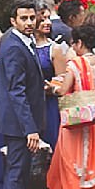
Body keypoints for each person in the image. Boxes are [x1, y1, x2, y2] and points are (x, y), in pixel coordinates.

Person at [0, 0, 52, 189]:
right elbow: (17, 90)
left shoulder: (13, 40)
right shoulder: (15, 45)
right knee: (18, 175)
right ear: (12, 20)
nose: (29, 22)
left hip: (14, 119)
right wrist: (30, 128)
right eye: (24, 18)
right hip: (19, 123)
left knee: (16, 174)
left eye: (32, 17)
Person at [38, 23, 95, 189]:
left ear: (79, 43)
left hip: (75, 121)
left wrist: (52, 87)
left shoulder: (76, 64)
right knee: (93, 167)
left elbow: (64, 90)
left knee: (72, 168)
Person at [33, 10, 66, 159]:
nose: (47, 22)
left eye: (48, 18)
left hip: (49, 104)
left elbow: (62, 79)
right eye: (43, 19)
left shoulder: (55, 48)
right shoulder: (23, 45)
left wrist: (50, 87)